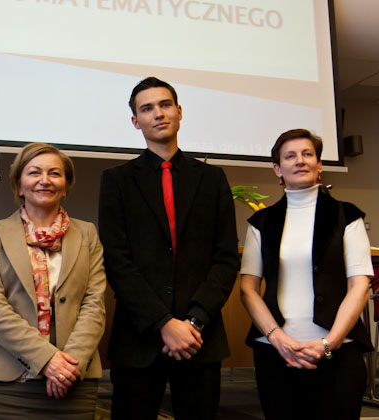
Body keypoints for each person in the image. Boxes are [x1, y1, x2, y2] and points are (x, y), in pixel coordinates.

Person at [98, 77, 240, 420]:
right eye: (147, 108)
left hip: (199, 338)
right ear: (136, 121)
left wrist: (192, 321)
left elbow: (225, 257)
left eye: (165, 105)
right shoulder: (116, 180)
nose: (158, 114)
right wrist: (163, 322)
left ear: (179, 112)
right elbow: (117, 260)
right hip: (139, 336)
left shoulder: (212, 179)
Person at [239, 128, 373, 420]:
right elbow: (248, 289)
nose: (300, 161)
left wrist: (329, 344)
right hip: (275, 353)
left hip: (338, 353)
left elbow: (359, 286)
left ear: (319, 164)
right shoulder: (261, 221)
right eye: (290, 156)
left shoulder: (347, 216)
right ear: (278, 168)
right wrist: (278, 340)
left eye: (307, 154)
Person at [0, 143, 106, 420]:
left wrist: (68, 367)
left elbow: (94, 305)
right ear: (19, 185)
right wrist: (47, 360)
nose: (44, 180)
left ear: (66, 186)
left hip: (74, 376)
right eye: (34, 172)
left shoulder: (88, 234)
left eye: (54, 173)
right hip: (7, 383)